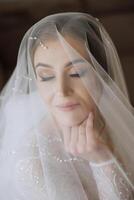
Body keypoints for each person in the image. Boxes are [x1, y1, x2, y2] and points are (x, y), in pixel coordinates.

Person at [0, 12, 134, 199]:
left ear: (102, 75)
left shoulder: (116, 116)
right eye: (46, 77)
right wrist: (103, 161)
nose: (61, 91)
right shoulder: (33, 164)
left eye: (76, 74)